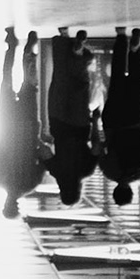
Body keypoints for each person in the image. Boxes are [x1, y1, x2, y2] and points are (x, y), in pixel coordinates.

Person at [95, 27, 140, 205]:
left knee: (137, 83)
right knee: (116, 78)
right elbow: (98, 147)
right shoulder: (109, 172)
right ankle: (121, 37)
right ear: (115, 191)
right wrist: (100, 130)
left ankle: (135, 50)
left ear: (131, 192)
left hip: (138, 120)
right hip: (113, 121)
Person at [0, 28, 45, 217]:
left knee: (29, 84)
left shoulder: (31, 184)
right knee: (6, 79)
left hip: (28, 128)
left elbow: (43, 160)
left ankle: (29, 49)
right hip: (6, 124)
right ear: (5, 205)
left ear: (18, 207)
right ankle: (11, 44)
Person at [43, 28, 98, 204]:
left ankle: (79, 53)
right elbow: (44, 151)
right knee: (60, 80)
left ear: (78, 190)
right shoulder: (56, 171)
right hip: (58, 124)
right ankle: (63, 37)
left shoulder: (86, 170)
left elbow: (96, 148)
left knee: (80, 85)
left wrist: (96, 122)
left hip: (81, 127)